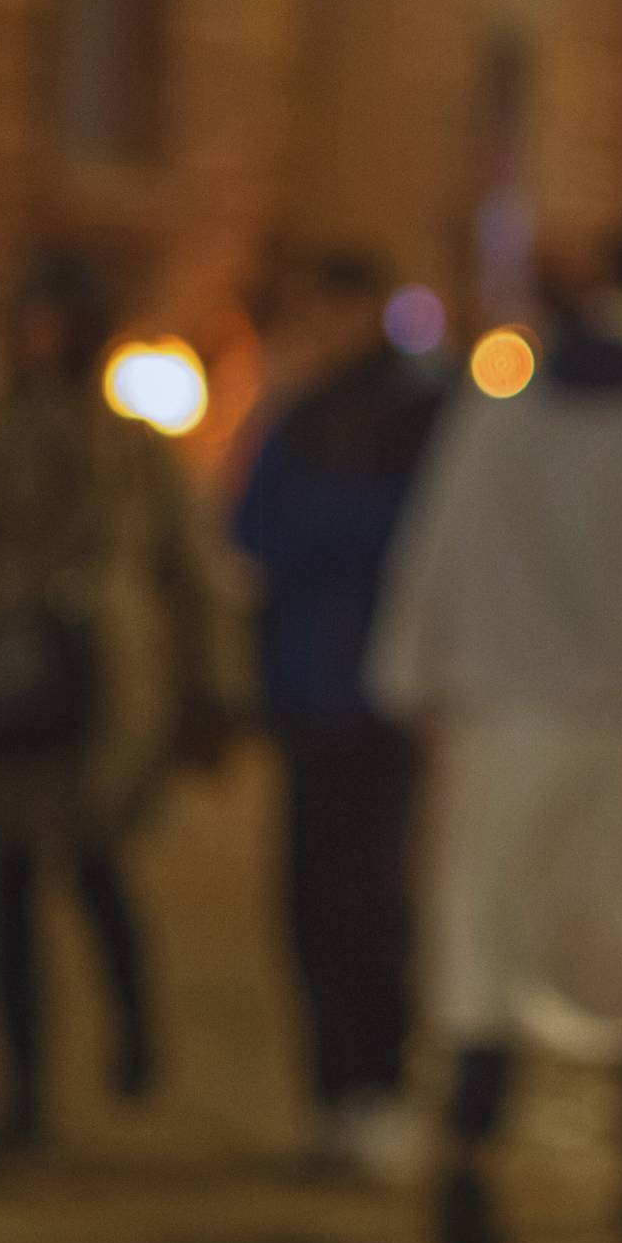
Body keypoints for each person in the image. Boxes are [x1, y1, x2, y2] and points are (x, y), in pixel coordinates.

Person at [367, 230, 622, 1243]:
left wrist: (415, 679)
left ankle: (468, 1169)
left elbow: (428, 563)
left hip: (504, 745)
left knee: (490, 957)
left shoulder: (493, 426)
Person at [0, 251, 249, 1147]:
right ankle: (24, 1087)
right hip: (12, 673)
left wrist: (213, 688)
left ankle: (133, 1030)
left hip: (98, 685)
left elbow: (188, 562)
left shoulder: (126, 436)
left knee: (96, 871)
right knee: (8, 885)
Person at [233, 249, 445, 1179]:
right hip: (305, 692)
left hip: (381, 694)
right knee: (306, 898)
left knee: (370, 897)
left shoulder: (421, 414)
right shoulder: (305, 413)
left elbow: (416, 536)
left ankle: (383, 1089)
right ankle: (331, 1091)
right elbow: (250, 525)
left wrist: (326, 532)